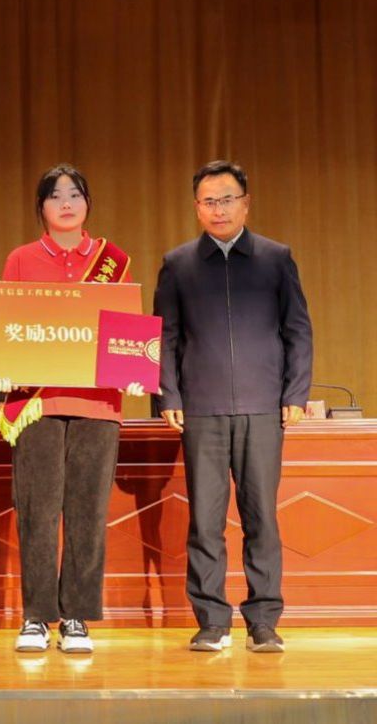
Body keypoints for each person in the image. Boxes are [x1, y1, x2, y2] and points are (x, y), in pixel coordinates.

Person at [153, 160, 313, 653]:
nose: (218, 209)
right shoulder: (178, 263)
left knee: (261, 516)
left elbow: (297, 330)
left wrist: (295, 393)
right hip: (201, 407)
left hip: (263, 406)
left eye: (227, 199)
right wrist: (168, 395)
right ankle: (211, 621)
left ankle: (263, 621)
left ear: (245, 203)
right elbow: (165, 336)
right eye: (209, 201)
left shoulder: (275, 258)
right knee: (205, 520)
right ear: (196, 208)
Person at [0, 163, 144, 653]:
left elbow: (127, 330)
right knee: (37, 511)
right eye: (55, 195)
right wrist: (2, 365)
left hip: (98, 403)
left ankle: (76, 616)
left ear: (87, 203)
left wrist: (135, 369)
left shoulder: (112, 261)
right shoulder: (21, 259)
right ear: (40, 206)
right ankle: (37, 616)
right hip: (37, 402)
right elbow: (5, 326)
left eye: (75, 194)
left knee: (87, 511)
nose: (65, 203)